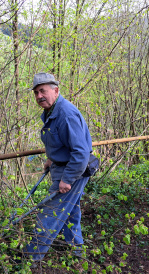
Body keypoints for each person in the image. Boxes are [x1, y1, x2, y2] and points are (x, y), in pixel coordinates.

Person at [25, 72, 92, 262]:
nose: (39, 96)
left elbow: (81, 152)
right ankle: (76, 250)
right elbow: (59, 140)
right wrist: (51, 158)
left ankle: (30, 259)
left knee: (49, 213)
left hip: (73, 170)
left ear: (55, 90)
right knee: (70, 209)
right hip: (61, 166)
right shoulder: (51, 111)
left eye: (43, 91)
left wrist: (67, 179)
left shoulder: (66, 114)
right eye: (36, 92)